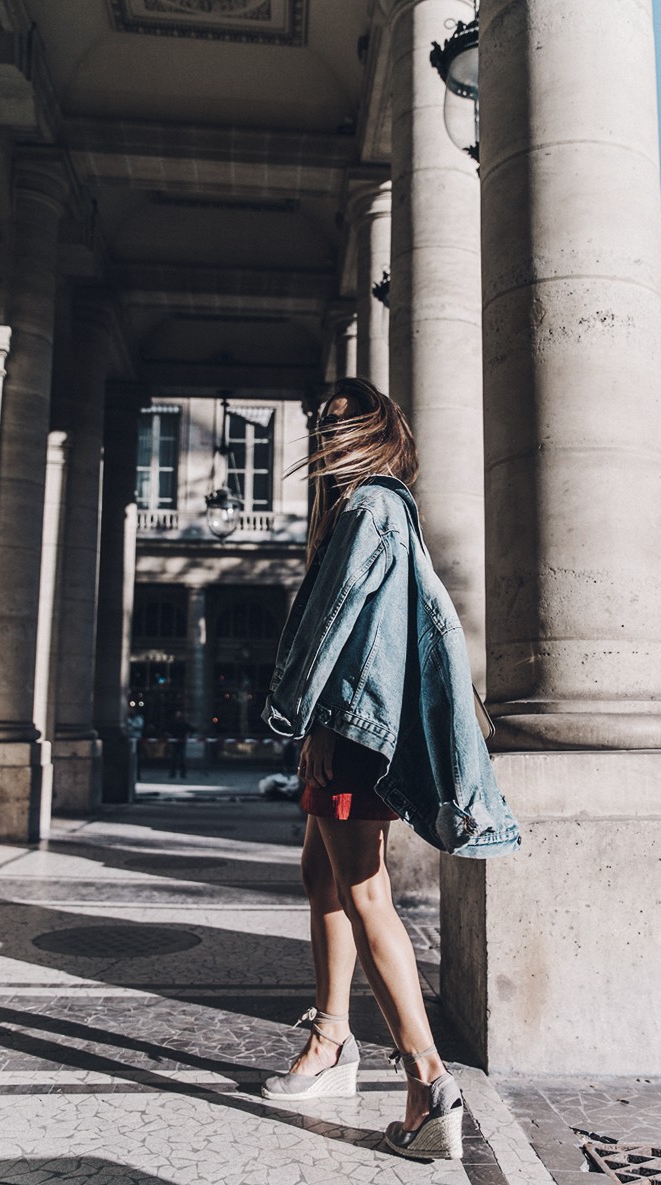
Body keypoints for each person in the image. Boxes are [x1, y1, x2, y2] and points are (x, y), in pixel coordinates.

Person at [261, 378, 520, 1161]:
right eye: (320, 420)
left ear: (376, 431)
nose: (324, 433)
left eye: (341, 421)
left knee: (366, 892)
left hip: (349, 727)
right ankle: (333, 1037)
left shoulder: (371, 506)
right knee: (320, 873)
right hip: (350, 723)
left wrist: (296, 712)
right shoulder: (365, 509)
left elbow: (336, 618)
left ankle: (427, 1081)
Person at [166, 709, 192, 778]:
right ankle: (173, 773)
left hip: (181, 743)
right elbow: (168, 729)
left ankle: (181, 774)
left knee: (181, 759)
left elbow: (191, 729)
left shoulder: (183, 723)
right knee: (174, 759)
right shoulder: (174, 723)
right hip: (175, 742)